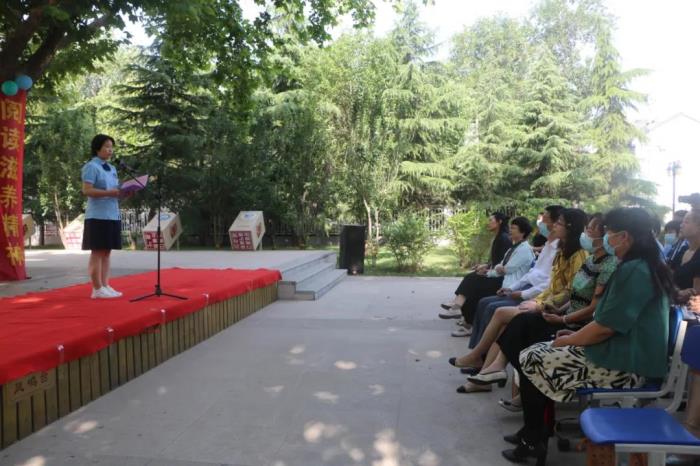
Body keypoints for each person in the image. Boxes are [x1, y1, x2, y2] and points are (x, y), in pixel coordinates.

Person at [499, 207, 674, 465]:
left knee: (534, 357)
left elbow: (606, 326)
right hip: (620, 351)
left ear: (624, 236)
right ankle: (534, 434)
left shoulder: (635, 270)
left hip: (627, 365)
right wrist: (573, 333)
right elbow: (606, 321)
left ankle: (534, 438)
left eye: (609, 232)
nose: (606, 237)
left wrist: (570, 339)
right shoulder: (639, 265)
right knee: (534, 352)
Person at [485, 213, 617, 409]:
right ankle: (499, 372)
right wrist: (557, 309)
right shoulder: (589, 260)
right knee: (520, 322)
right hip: (564, 312)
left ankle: (515, 388)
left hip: (577, 323)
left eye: (591, 230)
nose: (552, 226)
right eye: (587, 229)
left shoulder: (607, 263)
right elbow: (572, 292)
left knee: (525, 332)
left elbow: (592, 308)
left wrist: (561, 318)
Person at [448, 209, 588, 393]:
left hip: (557, 311)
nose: (552, 226)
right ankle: (483, 370)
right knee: (500, 313)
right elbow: (550, 285)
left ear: (571, 227)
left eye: (558, 222)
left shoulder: (578, 255)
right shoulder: (562, 251)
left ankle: (481, 364)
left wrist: (538, 304)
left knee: (503, 314)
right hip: (544, 301)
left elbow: (568, 292)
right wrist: (534, 299)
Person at [468, 205, 563, 347]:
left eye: (545, 220)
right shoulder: (547, 246)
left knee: (492, 306)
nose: (541, 223)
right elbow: (529, 273)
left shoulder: (556, 251)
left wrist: (522, 293)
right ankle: (477, 349)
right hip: (522, 287)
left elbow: (548, 283)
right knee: (483, 301)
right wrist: (512, 288)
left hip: (536, 295)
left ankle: (480, 352)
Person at [448, 217, 535, 337]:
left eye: (514, 228)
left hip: (510, 286)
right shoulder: (514, 247)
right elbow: (500, 266)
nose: (510, 230)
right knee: (473, 279)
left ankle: (466, 320)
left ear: (522, 232)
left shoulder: (524, 249)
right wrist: (487, 273)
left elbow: (507, 268)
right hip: (504, 280)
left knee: (475, 286)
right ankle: (464, 316)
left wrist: (499, 268)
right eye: (510, 227)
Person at [439, 212, 512, 323]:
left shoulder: (504, 238)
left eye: (491, 220)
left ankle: (458, 307)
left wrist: (488, 270)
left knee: (471, 279)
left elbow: (503, 262)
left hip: (499, 278)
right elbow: (496, 260)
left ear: (499, 222)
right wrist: (486, 266)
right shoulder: (499, 237)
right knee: (472, 278)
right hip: (495, 273)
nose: (488, 223)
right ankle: (460, 310)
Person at [81, 134, 124, 299]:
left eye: (111, 147)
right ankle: (97, 288)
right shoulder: (91, 166)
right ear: (97, 148)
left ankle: (105, 285)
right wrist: (109, 193)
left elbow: (114, 192)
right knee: (97, 252)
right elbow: (87, 190)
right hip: (97, 216)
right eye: (106, 146)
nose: (110, 150)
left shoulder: (112, 168)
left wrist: (124, 193)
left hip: (112, 215)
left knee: (107, 252)